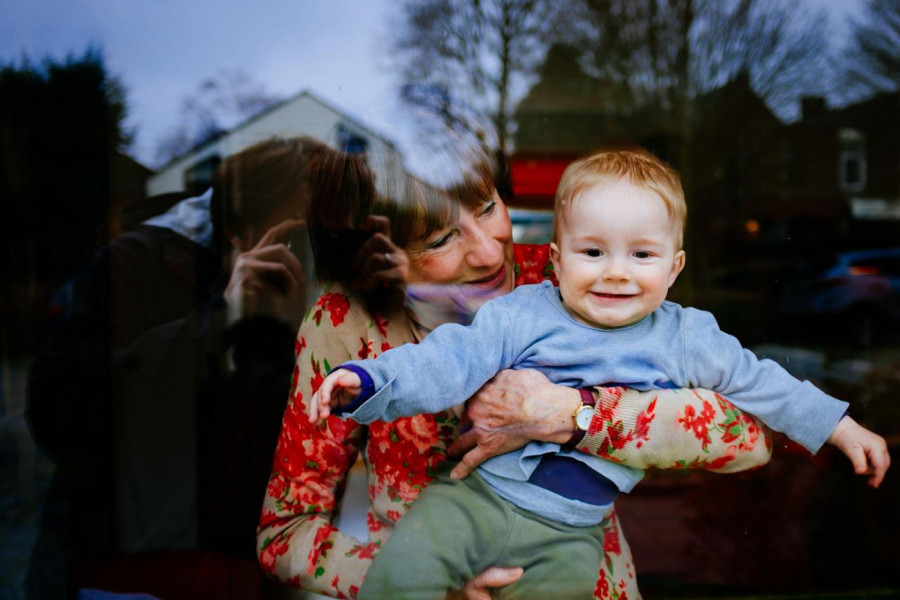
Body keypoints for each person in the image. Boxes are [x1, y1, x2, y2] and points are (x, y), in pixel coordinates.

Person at [311, 148, 891, 599]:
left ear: (675, 267)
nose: (616, 272)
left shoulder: (687, 337)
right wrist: (368, 382)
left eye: (641, 255)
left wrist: (839, 427)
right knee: (404, 571)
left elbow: (760, 392)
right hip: (474, 503)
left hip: (572, 532)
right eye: (593, 254)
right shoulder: (525, 309)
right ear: (558, 260)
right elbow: (448, 360)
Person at [26, 137, 326, 597]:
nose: (315, 253)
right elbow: (57, 416)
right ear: (238, 231)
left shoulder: (321, 299)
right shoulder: (135, 269)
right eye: (303, 234)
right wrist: (216, 324)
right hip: (126, 571)